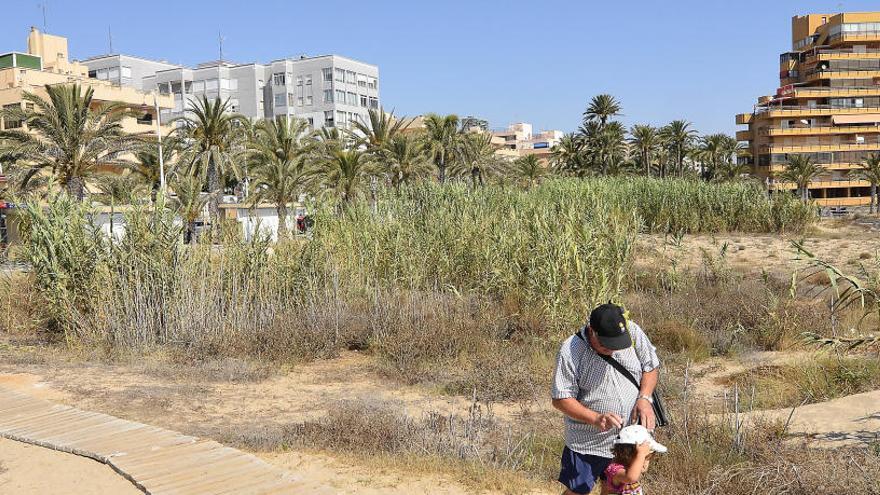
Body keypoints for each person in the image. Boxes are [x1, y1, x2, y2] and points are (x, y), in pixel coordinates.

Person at [552, 303, 661, 495]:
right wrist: (595, 418)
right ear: (592, 331)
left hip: (626, 438)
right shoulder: (571, 350)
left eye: (617, 345)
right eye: (605, 345)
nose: (611, 350)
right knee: (577, 490)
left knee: (616, 489)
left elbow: (650, 367)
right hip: (587, 442)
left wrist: (644, 398)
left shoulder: (632, 331)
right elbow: (561, 398)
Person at [601, 425, 667, 495]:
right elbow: (631, 477)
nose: (645, 465)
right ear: (628, 455)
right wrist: (641, 454)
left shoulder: (630, 470)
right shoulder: (616, 470)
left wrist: (640, 455)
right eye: (645, 459)